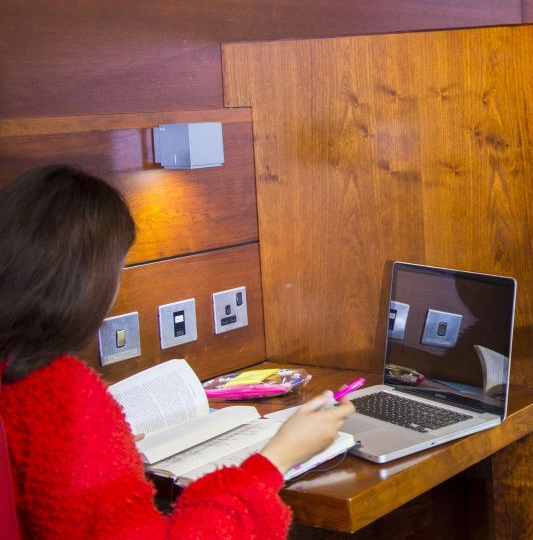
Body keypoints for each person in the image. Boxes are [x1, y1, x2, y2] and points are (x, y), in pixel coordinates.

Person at [0, 165, 356, 539]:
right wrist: (279, 456)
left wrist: (103, 461)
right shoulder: (61, 394)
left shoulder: (21, 374)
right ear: (86, 282)